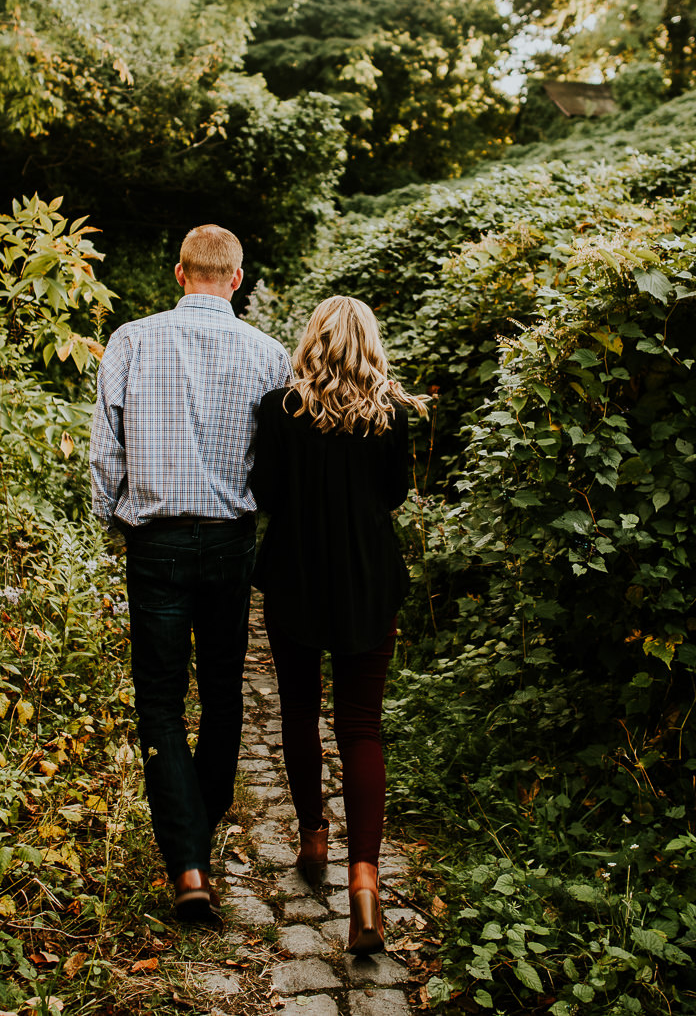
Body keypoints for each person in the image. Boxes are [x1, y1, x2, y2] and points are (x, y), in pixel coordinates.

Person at [91, 224, 290, 925]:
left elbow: (103, 451)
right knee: (223, 690)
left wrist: (114, 518)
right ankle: (197, 837)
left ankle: (187, 862)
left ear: (180, 273)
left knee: (160, 702)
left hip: (157, 543)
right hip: (230, 541)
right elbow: (281, 459)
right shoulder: (270, 355)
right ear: (236, 279)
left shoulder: (132, 341)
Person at [251, 295, 425, 956]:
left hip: (296, 574)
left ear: (312, 339)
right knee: (360, 725)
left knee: (298, 711)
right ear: (370, 342)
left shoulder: (279, 408)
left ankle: (313, 835)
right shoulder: (391, 414)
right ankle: (365, 886)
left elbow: (265, 496)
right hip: (368, 578)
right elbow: (393, 495)